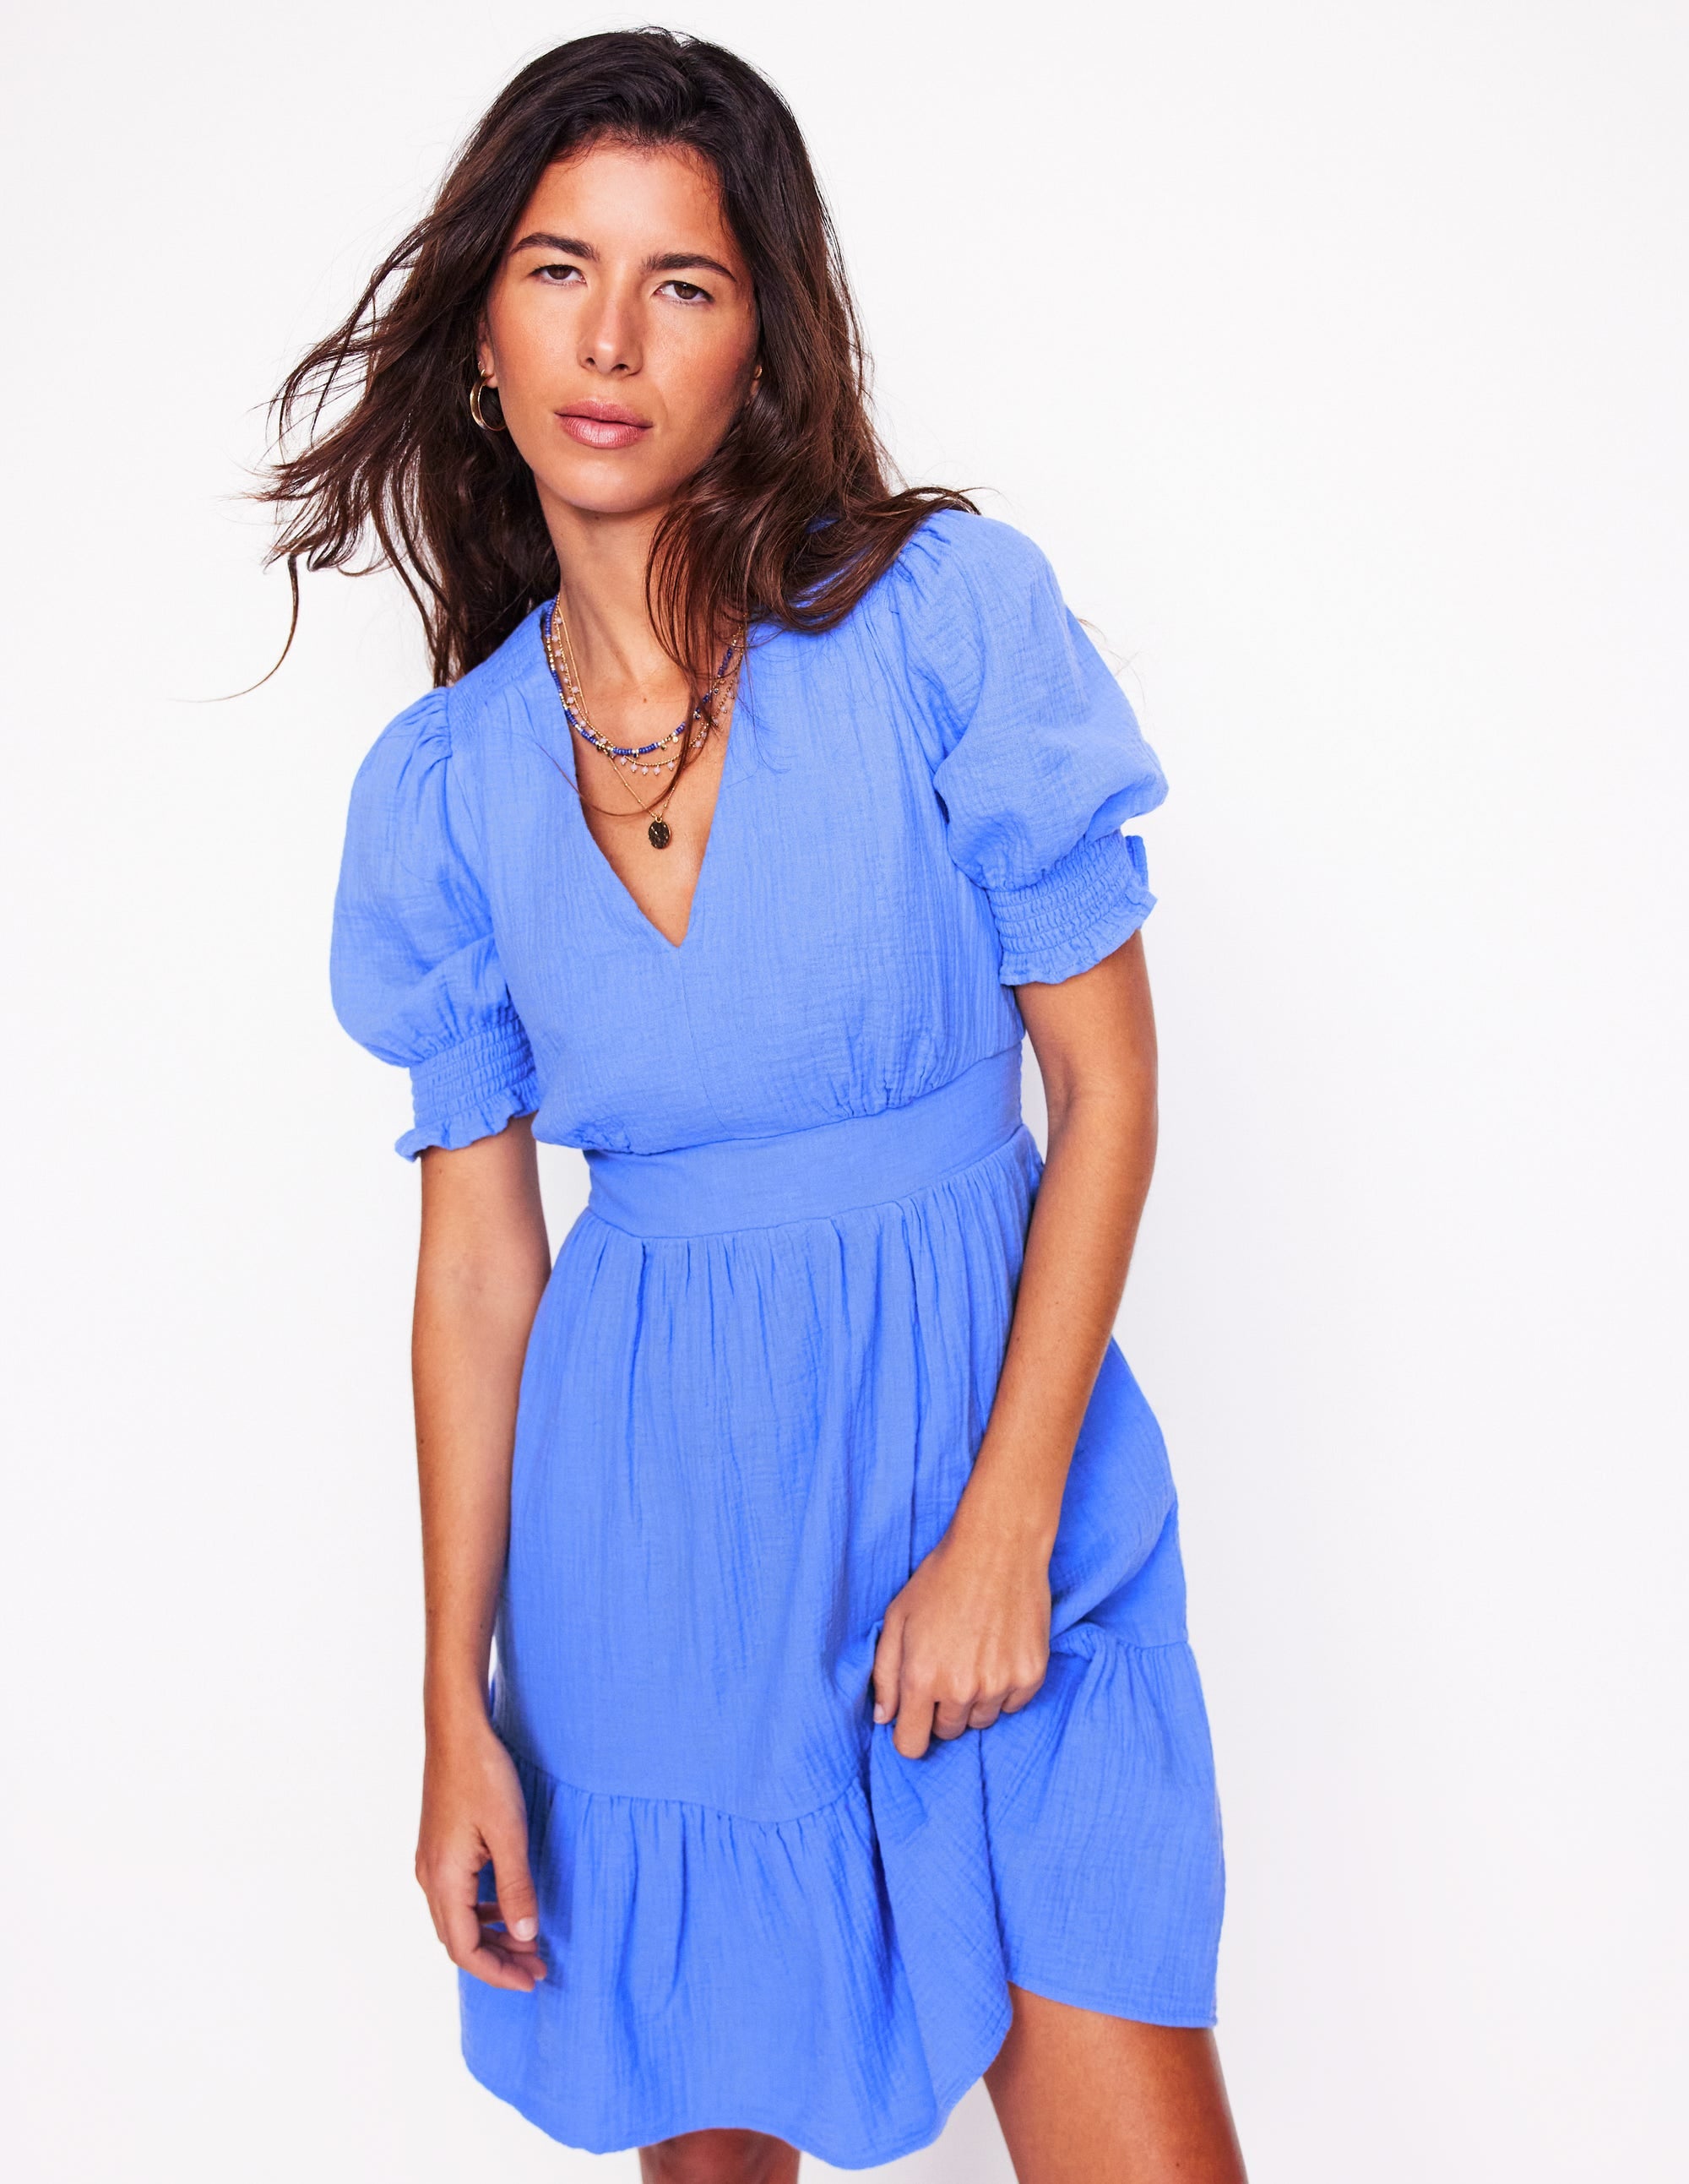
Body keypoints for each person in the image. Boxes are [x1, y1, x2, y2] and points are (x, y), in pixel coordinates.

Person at [266, 28, 1246, 2183]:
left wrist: (1003, 1526)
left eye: (682, 285)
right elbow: (475, 1274)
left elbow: (1106, 1091)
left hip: (998, 1498)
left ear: (757, 347)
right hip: (652, 1570)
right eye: (557, 269)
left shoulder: (939, 632)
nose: (612, 337)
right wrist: (459, 1708)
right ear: (480, 344)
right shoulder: (438, 798)